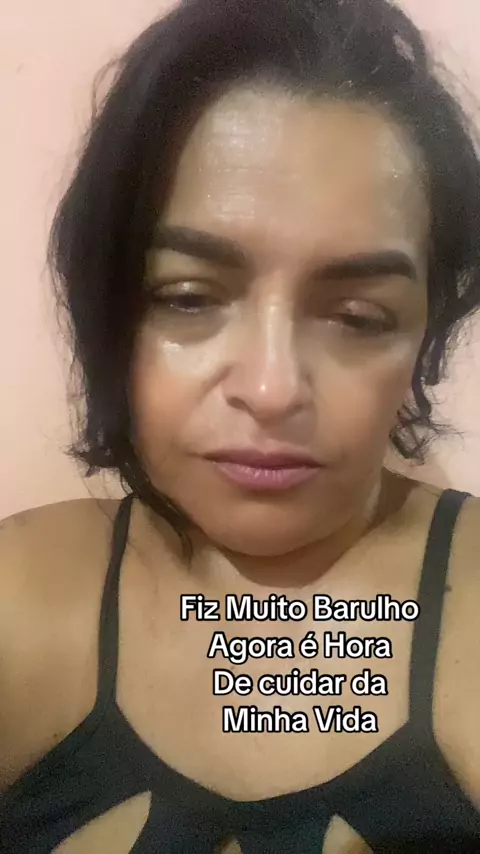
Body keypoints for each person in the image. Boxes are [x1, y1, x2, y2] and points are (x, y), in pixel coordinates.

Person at [2, 0, 480, 850]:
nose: (270, 388)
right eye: (188, 298)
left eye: (359, 316)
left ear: (424, 332)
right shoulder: (18, 595)